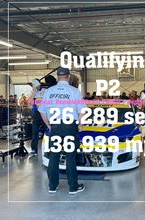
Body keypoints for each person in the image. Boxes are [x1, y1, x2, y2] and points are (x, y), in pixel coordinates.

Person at [39, 67, 86, 195]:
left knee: (54, 156)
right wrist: (80, 124)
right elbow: (82, 110)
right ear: (69, 76)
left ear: (58, 76)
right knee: (70, 156)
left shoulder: (49, 92)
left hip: (55, 127)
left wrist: (49, 126)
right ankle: (73, 187)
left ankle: (52, 187)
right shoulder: (74, 91)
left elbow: (42, 111)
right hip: (70, 126)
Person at [28, 79, 46, 155]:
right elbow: (30, 102)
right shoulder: (33, 91)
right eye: (34, 86)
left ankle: (48, 149)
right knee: (35, 131)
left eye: (37, 85)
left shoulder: (46, 91)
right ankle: (34, 149)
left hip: (45, 113)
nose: (36, 87)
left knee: (46, 130)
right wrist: (34, 93)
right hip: (36, 113)